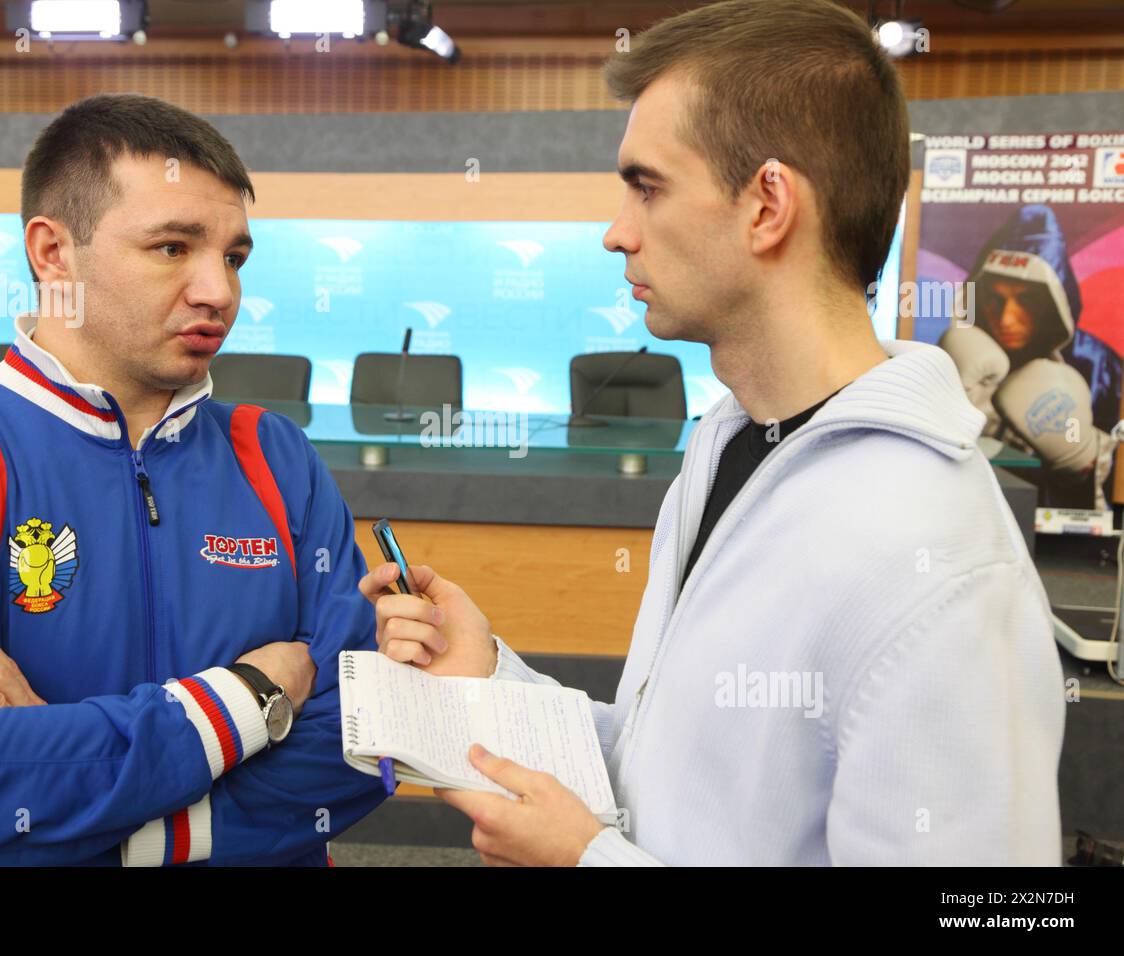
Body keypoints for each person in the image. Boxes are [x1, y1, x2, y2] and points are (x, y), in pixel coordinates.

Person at [359, 0, 1066, 866]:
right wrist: (491, 675)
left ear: (768, 204)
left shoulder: (943, 564)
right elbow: (676, 767)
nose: (617, 232)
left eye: (647, 185)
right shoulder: (728, 443)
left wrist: (589, 862)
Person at [0, 93, 385, 866]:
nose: (219, 291)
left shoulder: (277, 456)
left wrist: (58, 791)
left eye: (233, 257)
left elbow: (366, 743)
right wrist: (250, 697)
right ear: (54, 255)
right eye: (172, 247)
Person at [939, 204, 1121, 510]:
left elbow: (1114, 490)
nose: (1007, 319)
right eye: (995, 299)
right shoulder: (953, 357)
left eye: (1026, 300)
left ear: (1054, 302)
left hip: (1060, 549)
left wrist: (1082, 459)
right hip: (959, 521)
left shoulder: (1099, 365)